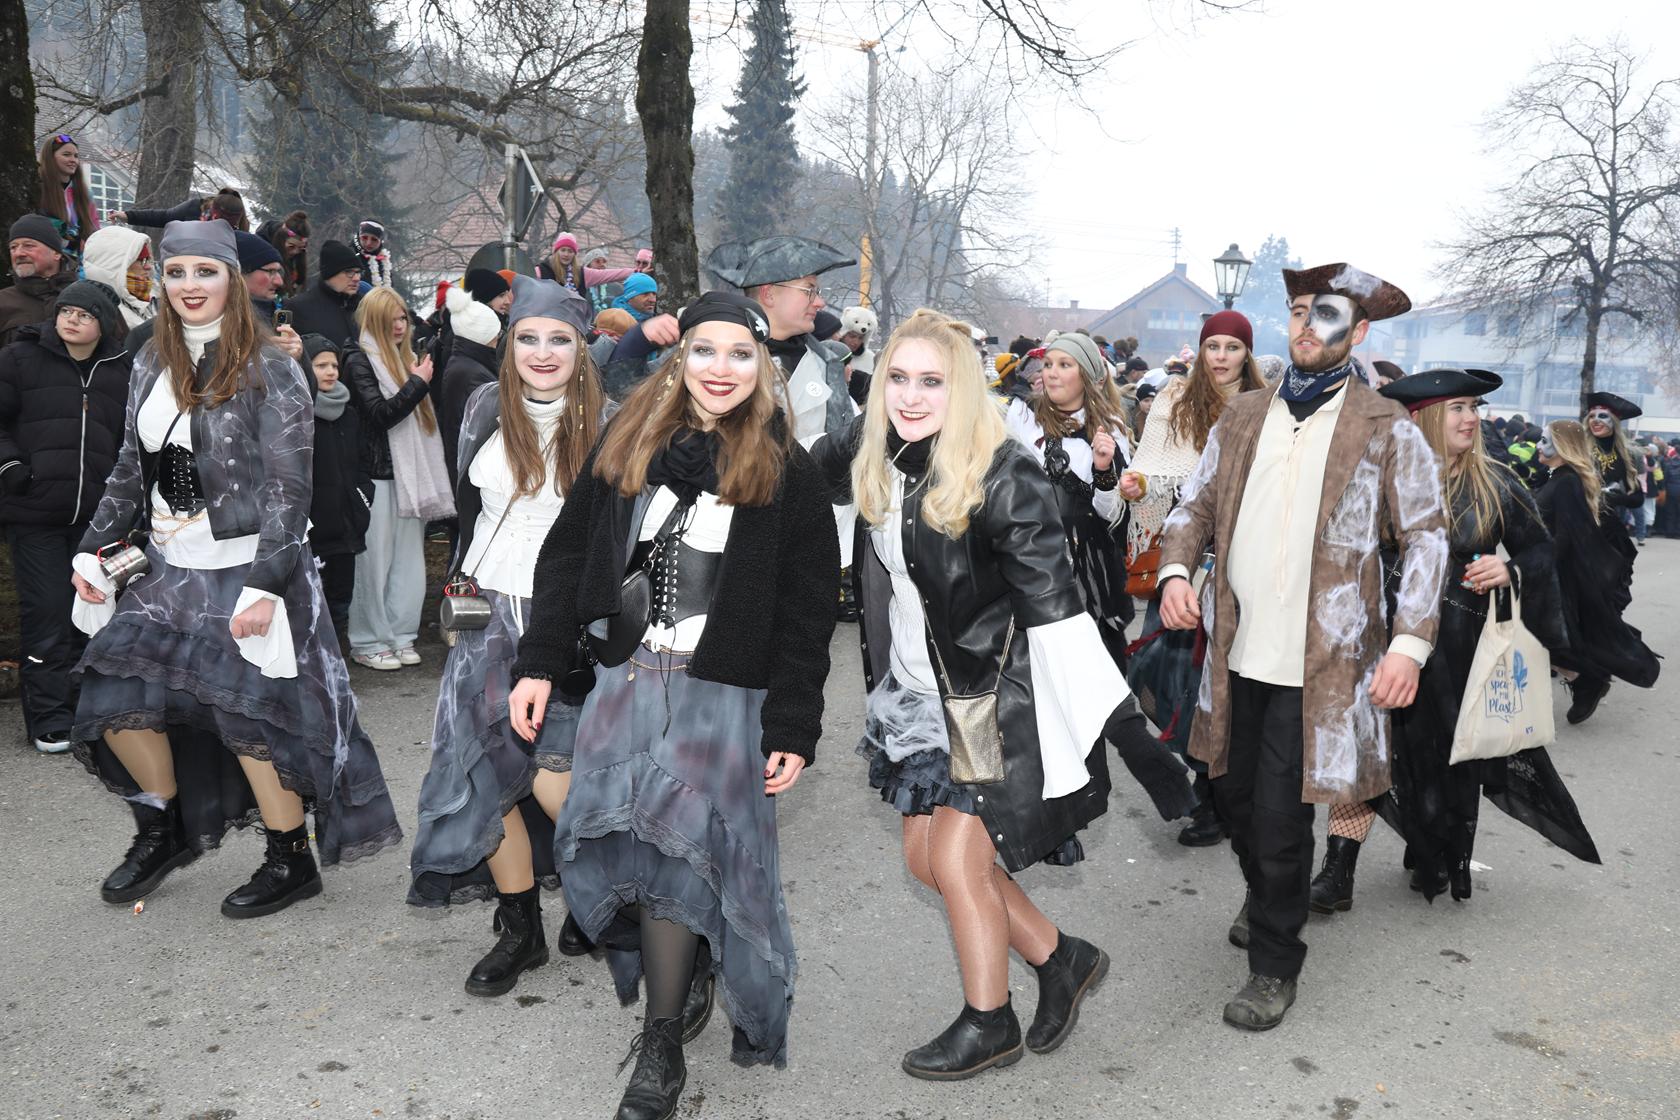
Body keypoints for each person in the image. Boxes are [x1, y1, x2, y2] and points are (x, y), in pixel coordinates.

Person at [507, 289, 838, 1115]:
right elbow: (568, 552)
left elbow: (807, 611)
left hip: (720, 696)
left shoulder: (788, 468)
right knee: (625, 844)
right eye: (705, 351)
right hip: (625, 680)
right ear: (679, 356)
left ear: (762, 365)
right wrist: (539, 661)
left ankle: (661, 1045)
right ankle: (683, 969)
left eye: (740, 354)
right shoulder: (629, 439)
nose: (721, 369)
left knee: (679, 854)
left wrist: (793, 723)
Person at [814, 309, 1118, 1080]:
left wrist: (1124, 732)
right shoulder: (885, 454)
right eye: (898, 379)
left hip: (986, 700)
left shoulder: (1003, 473)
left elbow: (1056, 606)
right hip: (916, 694)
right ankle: (1060, 956)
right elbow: (804, 473)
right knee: (927, 863)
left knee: (955, 860)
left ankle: (990, 1021)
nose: (912, 396)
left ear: (966, 391)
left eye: (933, 381)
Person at [68, 219, 402, 914]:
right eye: (176, 272)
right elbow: (129, 468)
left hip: (249, 568)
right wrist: (90, 552)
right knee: (115, 690)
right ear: (161, 281)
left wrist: (264, 587)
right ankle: (161, 829)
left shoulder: (271, 366)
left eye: (205, 272)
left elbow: (288, 488)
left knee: (253, 717)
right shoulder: (150, 360)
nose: (190, 286)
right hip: (168, 565)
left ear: (231, 279)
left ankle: (291, 857)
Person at [1157, 262, 1448, 1031]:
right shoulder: (1245, 414)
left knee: (1282, 820)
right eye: (1296, 312)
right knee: (1230, 797)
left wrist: (1408, 645)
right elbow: (1195, 504)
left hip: (1320, 665)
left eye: (1325, 314)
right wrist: (1177, 570)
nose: (1305, 327)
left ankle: (1274, 965)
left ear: (1358, 331)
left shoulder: (1385, 426)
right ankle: (1267, 893)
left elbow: (1426, 536)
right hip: (1234, 653)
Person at [1305, 370, 1600, 909]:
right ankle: (1338, 870)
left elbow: (1541, 549)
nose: (1471, 418)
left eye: (1474, 407)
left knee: (1443, 759)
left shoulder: (1496, 482)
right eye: (1458, 408)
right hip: (1383, 636)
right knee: (1368, 748)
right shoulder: (1378, 476)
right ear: (1423, 419)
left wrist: (1509, 570)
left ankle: (1432, 845)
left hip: (1459, 647)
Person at [408, 277, 610, 996]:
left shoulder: (613, 425)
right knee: (485, 778)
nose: (543, 352)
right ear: (508, 343)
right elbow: (469, 509)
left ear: (582, 348)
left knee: (561, 782)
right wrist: (460, 587)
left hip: (566, 626)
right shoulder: (484, 406)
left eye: (559, 339)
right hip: (486, 618)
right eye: (528, 338)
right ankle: (521, 928)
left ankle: (605, 899)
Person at [1119, 309, 1267, 846]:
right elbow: (1151, 467)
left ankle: (1212, 797)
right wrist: (1138, 487)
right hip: (1180, 561)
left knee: (1217, 684)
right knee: (1158, 675)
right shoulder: (1175, 399)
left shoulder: (1265, 407)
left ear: (1247, 354)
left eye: (1233, 347)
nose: (1222, 357)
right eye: (1213, 346)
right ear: (1201, 351)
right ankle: (1196, 769)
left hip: (1238, 563)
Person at [0, 280, 131, 753]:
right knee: (49, 611)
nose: (71, 319)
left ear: (104, 324)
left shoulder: (123, 369)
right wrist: (11, 467)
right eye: (66, 310)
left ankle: (86, 711)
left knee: (91, 611)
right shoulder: (19, 357)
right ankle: (49, 718)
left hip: (98, 519)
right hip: (34, 511)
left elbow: (131, 438)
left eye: (85, 314)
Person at [344, 286, 451, 671]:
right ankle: (368, 641)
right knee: (373, 566)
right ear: (373, 321)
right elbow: (380, 415)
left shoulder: (406, 360)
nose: (399, 325)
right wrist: (418, 383)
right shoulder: (358, 360)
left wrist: (417, 379)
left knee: (409, 566)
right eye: (390, 319)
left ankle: (401, 635)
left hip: (410, 477)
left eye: (403, 317)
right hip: (375, 477)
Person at [1533, 419, 1660, 724]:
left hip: (1557, 575)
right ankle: (1583, 680)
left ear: (1563, 446)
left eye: (1545, 440)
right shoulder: (1559, 476)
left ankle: (1585, 680)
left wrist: (1533, 565)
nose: (1537, 445)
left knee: (1545, 636)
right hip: (1552, 573)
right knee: (1544, 637)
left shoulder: (1567, 481)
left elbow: (1568, 536)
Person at [705, 235, 855, 447]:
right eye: (809, 290)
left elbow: (843, 448)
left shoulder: (827, 365)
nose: (820, 302)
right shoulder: (707, 360)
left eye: (818, 292)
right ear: (768, 294)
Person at [300, 334, 373, 641]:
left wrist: (363, 498)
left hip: (346, 530)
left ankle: (337, 662)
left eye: (334, 365)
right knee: (310, 608)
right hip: (313, 532)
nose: (331, 371)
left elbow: (361, 463)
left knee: (340, 604)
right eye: (321, 366)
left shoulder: (349, 414)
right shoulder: (297, 413)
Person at [436, 285, 505, 489]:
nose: (499, 337)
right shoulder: (474, 375)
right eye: (497, 333)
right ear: (485, 336)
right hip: (476, 472)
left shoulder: (465, 363)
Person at [1, 216, 75, 348]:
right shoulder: (3, 301)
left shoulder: (85, 296)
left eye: (28, 246)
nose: (18, 253)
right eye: (13, 247)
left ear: (56, 253)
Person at [233, 231, 303, 364]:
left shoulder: (279, 315)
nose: (279, 282)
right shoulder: (215, 322)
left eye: (279, 272)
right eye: (270, 271)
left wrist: (298, 357)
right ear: (240, 273)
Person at [286, 240, 364, 347]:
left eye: (358, 272)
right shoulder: (299, 307)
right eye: (349, 272)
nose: (356, 278)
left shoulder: (364, 306)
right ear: (330, 273)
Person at [80, 226, 155, 334]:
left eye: (148, 259)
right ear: (114, 266)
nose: (148, 267)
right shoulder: (102, 315)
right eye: (141, 260)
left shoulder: (146, 299)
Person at [35, 133, 99, 259]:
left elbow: (95, 230)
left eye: (76, 156)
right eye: (66, 154)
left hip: (81, 263)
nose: (73, 160)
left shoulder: (85, 194)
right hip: (46, 259)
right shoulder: (37, 189)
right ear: (50, 157)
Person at [112, 187, 249, 232]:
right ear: (213, 208)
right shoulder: (194, 208)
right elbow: (162, 217)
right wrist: (127, 216)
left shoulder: (240, 230)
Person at [536, 232, 634, 295]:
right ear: (556, 252)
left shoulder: (581, 274)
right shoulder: (541, 271)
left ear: (574, 254)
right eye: (563, 250)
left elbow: (610, 274)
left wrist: (637, 271)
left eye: (570, 251)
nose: (566, 254)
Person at [256, 212, 311, 297]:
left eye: (300, 248)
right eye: (291, 246)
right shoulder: (259, 253)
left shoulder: (295, 262)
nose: (295, 252)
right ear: (281, 239)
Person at [839, 304, 879, 379]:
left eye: (860, 338)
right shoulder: (829, 355)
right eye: (852, 336)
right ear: (843, 334)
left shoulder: (870, 359)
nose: (856, 342)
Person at [357, 220, 393, 288]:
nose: (368, 243)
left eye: (374, 239)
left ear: (380, 241)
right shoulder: (351, 257)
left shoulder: (384, 262)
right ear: (359, 237)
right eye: (364, 237)